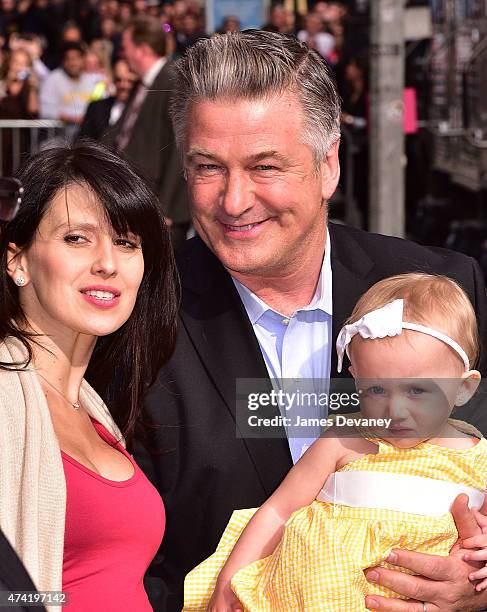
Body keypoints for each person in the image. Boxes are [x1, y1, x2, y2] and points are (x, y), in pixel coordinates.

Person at [135, 31, 487, 611]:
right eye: (208, 167)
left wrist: (475, 585)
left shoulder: (444, 292)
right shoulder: (140, 313)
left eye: (264, 165)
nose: (234, 200)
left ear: (328, 165)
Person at [184, 273, 487, 610]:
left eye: (416, 390)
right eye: (375, 390)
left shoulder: (479, 460)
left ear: (464, 388)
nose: (395, 410)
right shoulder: (344, 440)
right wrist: (228, 585)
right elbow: (277, 511)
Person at [0, 141, 178, 610]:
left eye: (126, 242)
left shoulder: (97, 410)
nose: (107, 262)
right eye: (77, 238)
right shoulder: (4, 396)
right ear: (16, 260)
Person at [105, 15, 190, 250]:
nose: (124, 54)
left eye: (126, 48)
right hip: (136, 196)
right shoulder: (144, 85)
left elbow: (178, 148)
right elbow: (120, 134)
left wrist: (166, 208)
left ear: (142, 50)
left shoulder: (171, 81)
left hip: (160, 208)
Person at [39, 42, 103, 139]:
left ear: (83, 60)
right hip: (57, 140)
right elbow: (45, 110)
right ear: (63, 61)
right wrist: (72, 119)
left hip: (87, 139)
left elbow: (100, 103)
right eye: (69, 59)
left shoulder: (93, 81)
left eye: (77, 58)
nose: (73, 63)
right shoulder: (52, 79)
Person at [78, 58, 136, 141]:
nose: (123, 85)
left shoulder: (146, 109)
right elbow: (83, 141)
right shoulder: (96, 107)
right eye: (118, 80)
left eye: (129, 81)